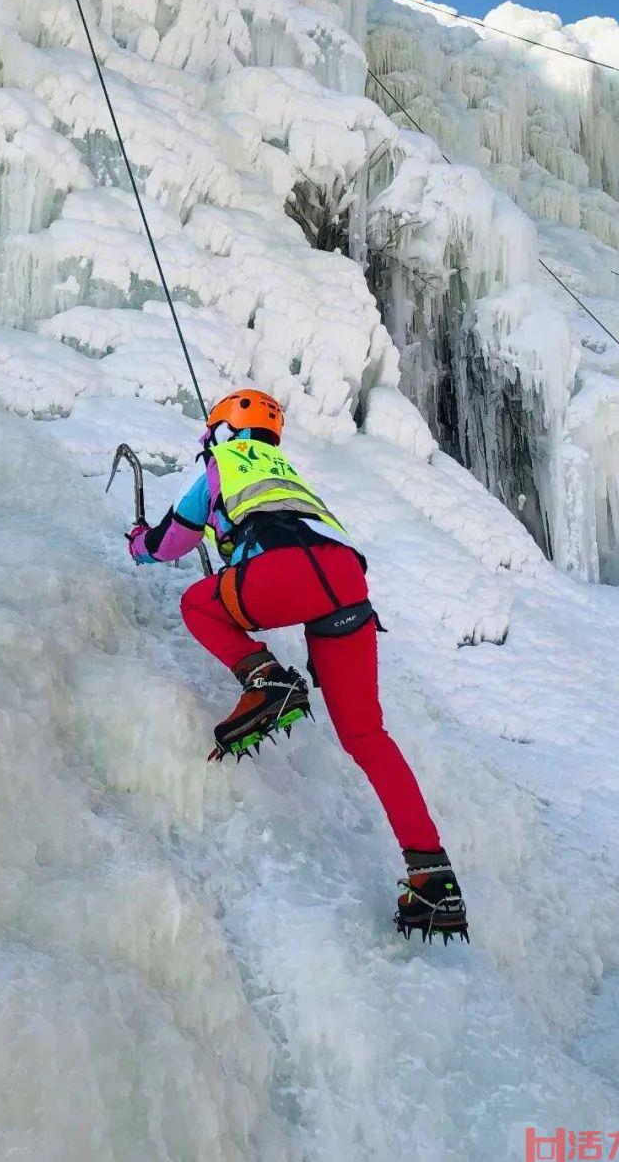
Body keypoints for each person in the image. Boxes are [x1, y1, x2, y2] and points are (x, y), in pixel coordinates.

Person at [128, 387, 468, 941]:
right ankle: (432, 876)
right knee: (367, 737)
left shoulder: (224, 466)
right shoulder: (288, 475)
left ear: (221, 431)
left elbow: (172, 542)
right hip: (347, 584)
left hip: (287, 575)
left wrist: (138, 545)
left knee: (196, 603)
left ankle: (265, 679)